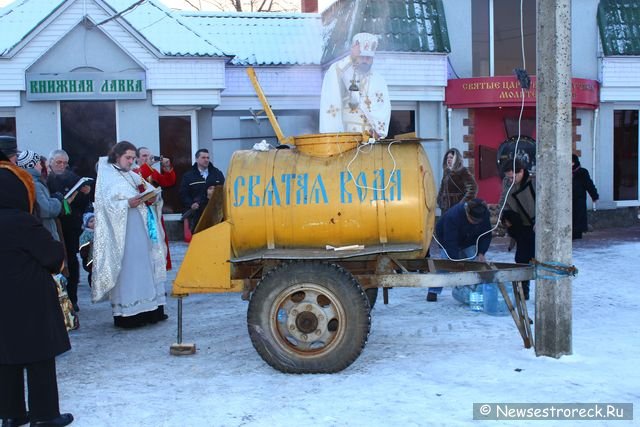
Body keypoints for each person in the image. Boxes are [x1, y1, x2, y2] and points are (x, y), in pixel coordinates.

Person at [0, 158, 74, 427]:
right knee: (39, 357)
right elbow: (54, 256)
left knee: (6, 357)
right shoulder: (22, 222)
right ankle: (44, 415)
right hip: (30, 299)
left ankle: (11, 414)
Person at [92, 141, 168, 329]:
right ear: (117, 156)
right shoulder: (107, 175)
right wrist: (126, 204)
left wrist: (153, 196)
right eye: (128, 158)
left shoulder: (132, 174)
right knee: (129, 272)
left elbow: (149, 192)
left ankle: (150, 310)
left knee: (145, 269)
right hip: (123, 236)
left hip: (142, 234)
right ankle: (128, 314)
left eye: (133, 158)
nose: (131, 161)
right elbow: (104, 206)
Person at [319, 33, 391, 139]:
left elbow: (383, 110)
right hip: (346, 139)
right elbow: (331, 106)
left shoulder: (379, 80)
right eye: (362, 56)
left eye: (369, 57)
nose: (365, 60)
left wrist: (378, 133)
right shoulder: (341, 71)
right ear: (354, 53)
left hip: (371, 141)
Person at [47, 149, 92, 312]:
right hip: (53, 225)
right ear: (50, 162)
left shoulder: (72, 177)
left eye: (65, 163)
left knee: (72, 261)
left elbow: (81, 203)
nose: (62, 166)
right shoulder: (45, 178)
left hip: (70, 226)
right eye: (58, 162)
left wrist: (85, 193)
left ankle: (72, 299)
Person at [426, 198, 492, 302]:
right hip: (446, 238)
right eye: (473, 220)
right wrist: (456, 262)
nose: (476, 223)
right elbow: (450, 241)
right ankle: (433, 291)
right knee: (445, 264)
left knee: (475, 263)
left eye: (478, 221)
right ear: (467, 212)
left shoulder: (484, 214)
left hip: (469, 239)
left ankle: (475, 290)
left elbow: (486, 235)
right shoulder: (453, 216)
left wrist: (481, 252)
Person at [134, 147, 176, 269]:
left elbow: (168, 182)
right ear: (136, 158)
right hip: (141, 211)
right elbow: (138, 179)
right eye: (144, 156)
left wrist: (167, 167)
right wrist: (148, 166)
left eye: (149, 155)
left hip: (154, 209)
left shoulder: (151, 171)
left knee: (158, 239)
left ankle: (158, 265)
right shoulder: (133, 171)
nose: (147, 158)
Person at [499, 160, 535, 299]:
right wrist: (504, 216)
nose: (510, 180)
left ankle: (546, 289)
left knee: (536, 258)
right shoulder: (507, 183)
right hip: (519, 225)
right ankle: (523, 291)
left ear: (521, 171)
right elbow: (504, 200)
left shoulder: (533, 181)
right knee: (521, 258)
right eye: (508, 177)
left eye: (513, 177)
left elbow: (543, 202)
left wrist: (540, 220)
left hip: (534, 225)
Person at [16, 150, 63, 241]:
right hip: (45, 234)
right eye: (38, 163)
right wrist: (57, 201)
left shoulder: (27, 180)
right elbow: (47, 209)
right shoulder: (34, 184)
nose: (41, 166)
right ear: (32, 165)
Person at [179, 148, 225, 233]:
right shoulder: (188, 176)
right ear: (196, 159)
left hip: (214, 213)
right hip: (196, 214)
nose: (206, 160)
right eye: (203, 157)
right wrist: (191, 204)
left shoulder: (217, 174)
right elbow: (183, 194)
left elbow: (223, 190)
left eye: (208, 157)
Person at [437, 148, 478, 213]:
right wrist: (440, 201)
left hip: (457, 210)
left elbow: (473, 188)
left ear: (456, 159)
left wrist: (461, 205)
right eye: (447, 158)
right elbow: (442, 188)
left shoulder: (463, 171)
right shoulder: (446, 172)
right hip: (445, 209)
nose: (449, 159)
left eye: (451, 157)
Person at [572, 154, 599, 240]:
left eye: (572, 162)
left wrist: (594, 196)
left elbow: (589, 184)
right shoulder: (564, 172)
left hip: (579, 199)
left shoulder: (582, 172)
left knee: (578, 217)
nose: (571, 164)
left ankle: (577, 235)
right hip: (568, 199)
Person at [79, 212, 95, 287]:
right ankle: (92, 285)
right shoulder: (85, 234)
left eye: (95, 220)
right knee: (92, 272)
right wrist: (89, 245)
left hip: (99, 256)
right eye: (91, 221)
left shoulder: (99, 231)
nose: (94, 223)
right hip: (90, 257)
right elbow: (83, 246)